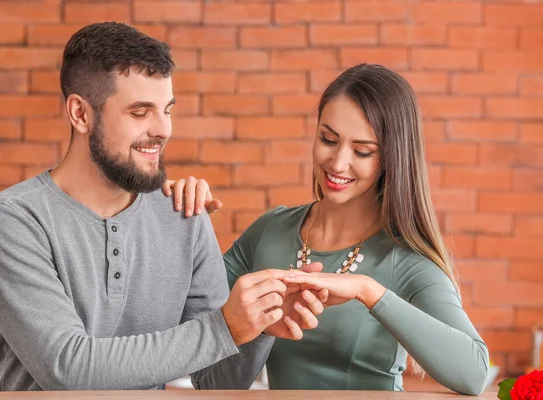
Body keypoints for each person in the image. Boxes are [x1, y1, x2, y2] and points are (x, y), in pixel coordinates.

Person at [0, 22, 326, 392]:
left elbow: (214, 383)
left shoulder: (184, 216)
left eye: (167, 109)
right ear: (80, 114)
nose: (164, 129)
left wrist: (256, 328)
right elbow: (66, 368)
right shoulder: (11, 221)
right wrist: (224, 327)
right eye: (140, 112)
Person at [164, 63, 490, 395]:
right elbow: (212, 382)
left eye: (362, 151)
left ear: (391, 158)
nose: (337, 163)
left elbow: (474, 373)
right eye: (328, 139)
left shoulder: (407, 260)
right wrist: (178, 220)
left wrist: (367, 290)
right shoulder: (270, 230)